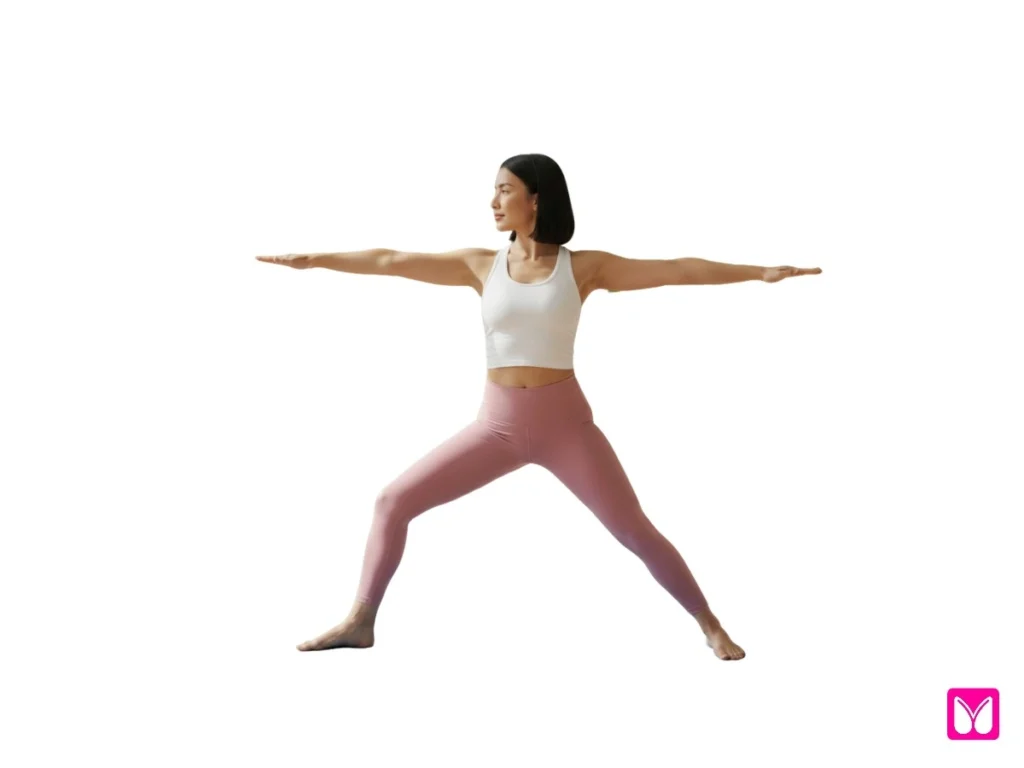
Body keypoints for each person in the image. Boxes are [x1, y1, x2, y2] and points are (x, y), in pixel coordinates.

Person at [256, 153, 821, 660]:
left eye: (504, 189)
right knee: (392, 501)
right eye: (495, 190)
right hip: (496, 426)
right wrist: (314, 259)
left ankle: (711, 625)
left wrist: (761, 272)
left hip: (566, 427)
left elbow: (679, 270)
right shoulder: (480, 265)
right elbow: (390, 259)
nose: (494, 201)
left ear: (537, 199)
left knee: (634, 531)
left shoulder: (585, 267)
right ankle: (360, 620)